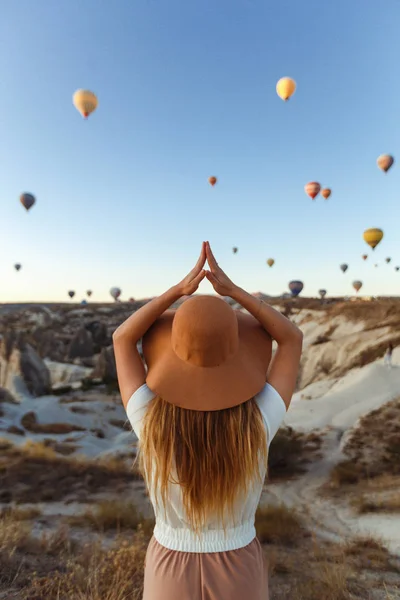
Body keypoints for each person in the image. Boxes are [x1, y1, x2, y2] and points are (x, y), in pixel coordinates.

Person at [113, 241, 303, 600]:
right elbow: (291, 339)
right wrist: (232, 292)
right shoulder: (258, 422)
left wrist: (177, 292)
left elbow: (123, 338)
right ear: (235, 349)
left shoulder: (148, 419)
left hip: (168, 564)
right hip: (239, 563)